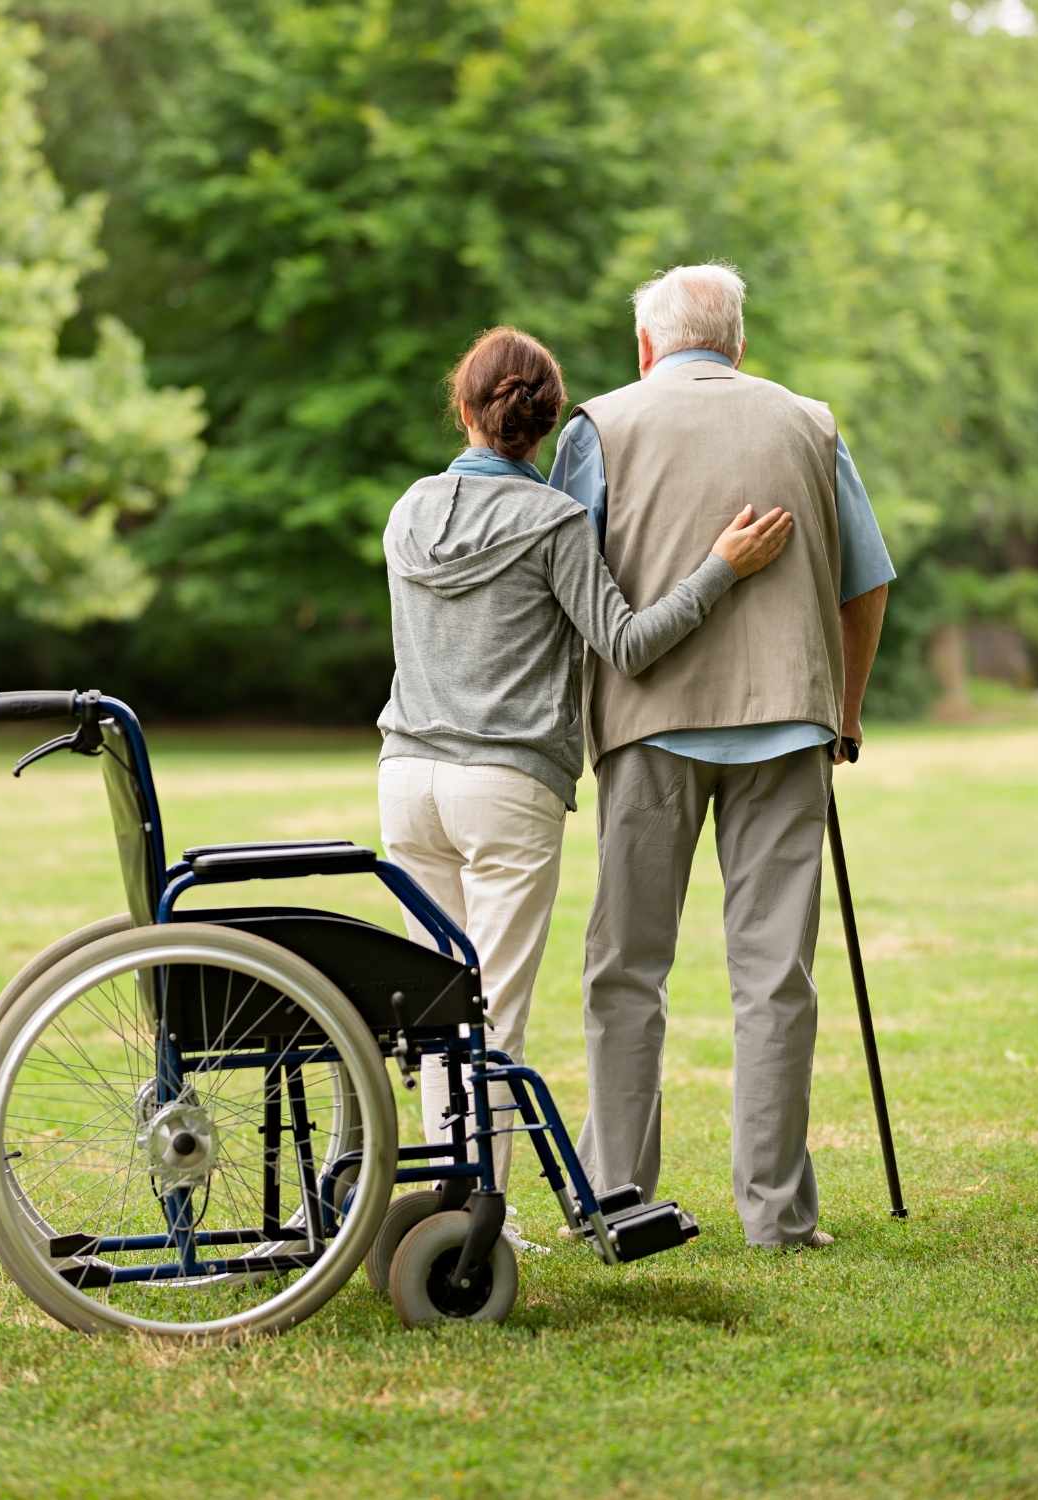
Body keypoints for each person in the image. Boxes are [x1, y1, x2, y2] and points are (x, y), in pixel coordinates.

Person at [376, 325, 792, 1247]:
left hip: (405, 780)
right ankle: (479, 1218)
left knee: (437, 1005)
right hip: (504, 785)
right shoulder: (552, 522)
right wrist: (724, 568)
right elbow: (631, 645)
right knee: (491, 1011)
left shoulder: (406, 511)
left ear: (464, 407)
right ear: (549, 421)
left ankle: (450, 1200)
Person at [549, 263, 894, 1248]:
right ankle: (778, 1217)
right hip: (789, 724)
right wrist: (847, 710)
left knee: (626, 968)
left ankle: (617, 1193)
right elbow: (865, 587)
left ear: (648, 347)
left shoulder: (601, 427)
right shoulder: (809, 423)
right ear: (736, 343)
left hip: (647, 728)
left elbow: (569, 586)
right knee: (775, 975)